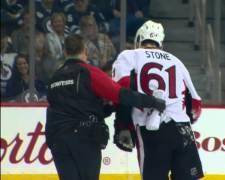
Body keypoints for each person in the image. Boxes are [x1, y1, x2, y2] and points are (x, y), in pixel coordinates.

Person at [45, 34, 166, 180]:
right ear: (85, 51)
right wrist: (152, 102)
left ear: (65, 52)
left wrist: (108, 109)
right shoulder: (88, 72)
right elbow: (120, 94)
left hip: (57, 137)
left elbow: (72, 108)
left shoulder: (54, 78)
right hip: (84, 137)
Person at [112, 20, 204, 180]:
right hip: (183, 131)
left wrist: (123, 125)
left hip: (150, 129)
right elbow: (195, 105)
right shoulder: (176, 60)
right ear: (160, 42)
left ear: (139, 39)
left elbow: (120, 92)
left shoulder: (129, 56)